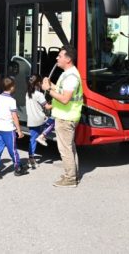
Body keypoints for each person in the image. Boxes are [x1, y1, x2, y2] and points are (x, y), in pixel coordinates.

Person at [42, 45, 82, 188]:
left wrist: (48, 90)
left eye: (60, 56)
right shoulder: (68, 74)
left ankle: (70, 178)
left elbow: (65, 99)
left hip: (66, 117)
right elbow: (62, 91)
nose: (56, 58)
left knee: (65, 150)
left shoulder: (71, 77)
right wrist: (51, 85)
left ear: (68, 59)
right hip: (67, 116)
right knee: (69, 148)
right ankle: (73, 174)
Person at [0, 76, 27, 179]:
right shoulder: (12, 100)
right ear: (11, 87)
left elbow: (0, 109)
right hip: (8, 129)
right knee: (13, 150)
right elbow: (14, 116)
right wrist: (19, 130)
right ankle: (18, 168)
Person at [26, 74, 53, 168]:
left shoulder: (28, 93)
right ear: (38, 83)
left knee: (32, 140)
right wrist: (56, 103)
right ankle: (43, 136)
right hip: (39, 119)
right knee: (53, 120)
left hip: (31, 120)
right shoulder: (39, 94)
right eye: (41, 82)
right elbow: (47, 107)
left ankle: (31, 159)